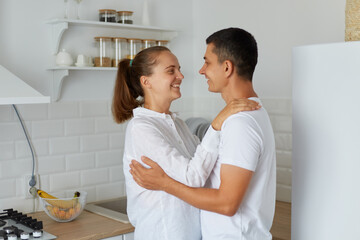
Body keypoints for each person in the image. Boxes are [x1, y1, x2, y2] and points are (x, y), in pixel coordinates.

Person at [130, 28, 276, 240]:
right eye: (171, 71)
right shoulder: (243, 116)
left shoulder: (240, 122)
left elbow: (226, 203)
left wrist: (165, 183)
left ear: (227, 68)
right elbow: (200, 171)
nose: (200, 70)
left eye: (207, 62)